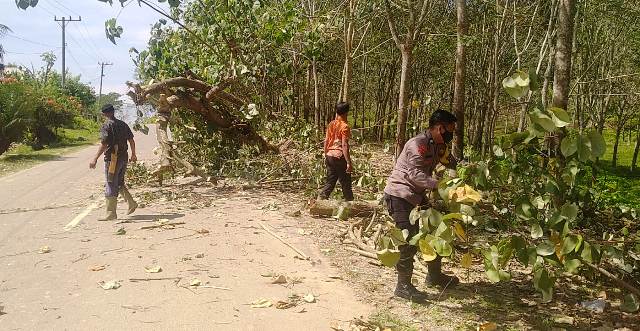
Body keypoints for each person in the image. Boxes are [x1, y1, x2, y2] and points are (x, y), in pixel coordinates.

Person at [383, 109, 459, 303]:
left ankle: (434, 275)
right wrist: (442, 186)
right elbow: (415, 175)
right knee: (408, 240)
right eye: (449, 130)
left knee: (436, 230)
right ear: (439, 128)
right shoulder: (418, 145)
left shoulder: (439, 145)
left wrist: (467, 170)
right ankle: (402, 286)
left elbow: (451, 162)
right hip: (400, 195)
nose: (450, 134)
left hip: (417, 196)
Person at [89, 104, 138, 221]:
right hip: (124, 157)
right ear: (113, 112)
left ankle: (111, 214)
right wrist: (133, 154)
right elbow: (131, 140)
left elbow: (104, 144)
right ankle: (132, 203)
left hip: (113, 159)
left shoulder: (106, 126)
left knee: (110, 183)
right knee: (119, 182)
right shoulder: (123, 124)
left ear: (105, 114)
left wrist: (94, 159)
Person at [319, 102, 354, 201]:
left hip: (330, 156)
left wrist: (326, 153)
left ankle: (321, 199)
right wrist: (348, 162)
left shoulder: (331, 124)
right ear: (346, 113)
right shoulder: (345, 126)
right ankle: (350, 204)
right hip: (339, 156)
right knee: (346, 182)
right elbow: (344, 145)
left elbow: (326, 140)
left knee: (331, 180)